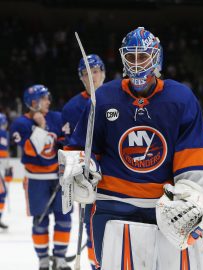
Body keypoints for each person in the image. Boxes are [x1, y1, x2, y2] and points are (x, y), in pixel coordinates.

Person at [61, 27, 203, 269]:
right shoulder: (104, 97)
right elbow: (82, 147)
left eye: (142, 56)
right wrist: (82, 168)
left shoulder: (181, 99)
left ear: (156, 58)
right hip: (113, 203)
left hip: (164, 208)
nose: (135, 63)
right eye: (130, 56)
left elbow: (192, 157)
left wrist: (188, 195)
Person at [10, 85, 72, 270]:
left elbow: (67, 142)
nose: (48, 102)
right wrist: (42, 127)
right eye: (44, 98)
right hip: (35, 179)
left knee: (64, 219)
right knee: (40, 220)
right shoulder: (20, 124)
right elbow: (31, 150)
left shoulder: (58, 117)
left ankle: (60, 258)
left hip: (60, 178)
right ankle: (43, 259)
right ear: (33, 102)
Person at [61, 54, 105, 269]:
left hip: (118, 174)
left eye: (95, 71)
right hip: (89, 179)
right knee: (91, 225)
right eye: (86, 73)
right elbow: (70, 147)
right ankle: (95, 265)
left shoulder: (116, 98)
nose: (91, 77)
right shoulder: (71, 108)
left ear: (103, 73)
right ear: (81, 78)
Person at [0, 113, 13, 229]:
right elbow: (3, 153)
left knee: (2, 193)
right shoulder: (3, 133)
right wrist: (7, 168)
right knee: (2, 193)